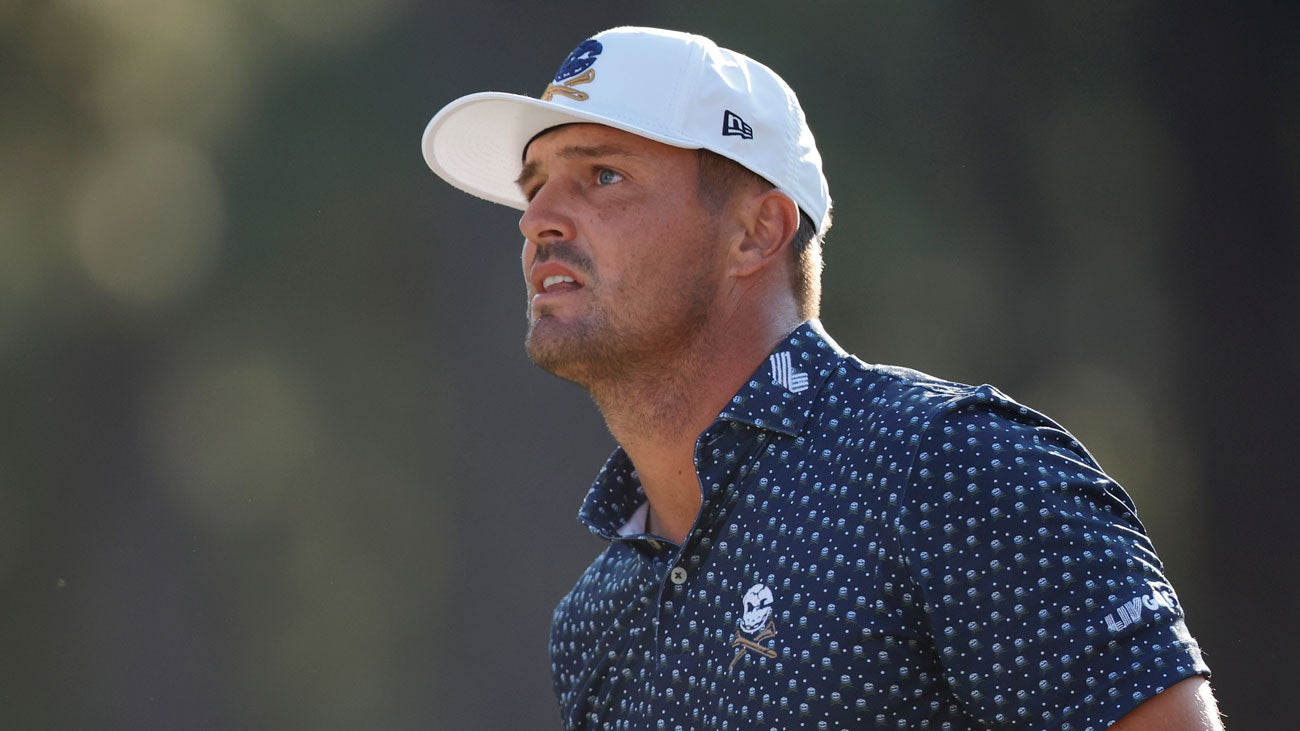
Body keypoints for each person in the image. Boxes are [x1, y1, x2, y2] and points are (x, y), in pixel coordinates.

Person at [421, 26, 1221, 731]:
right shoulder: (596, 617)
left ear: (756, 232)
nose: (537, 220)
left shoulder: (949, 466)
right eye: (533, 188)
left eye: (602, 176)